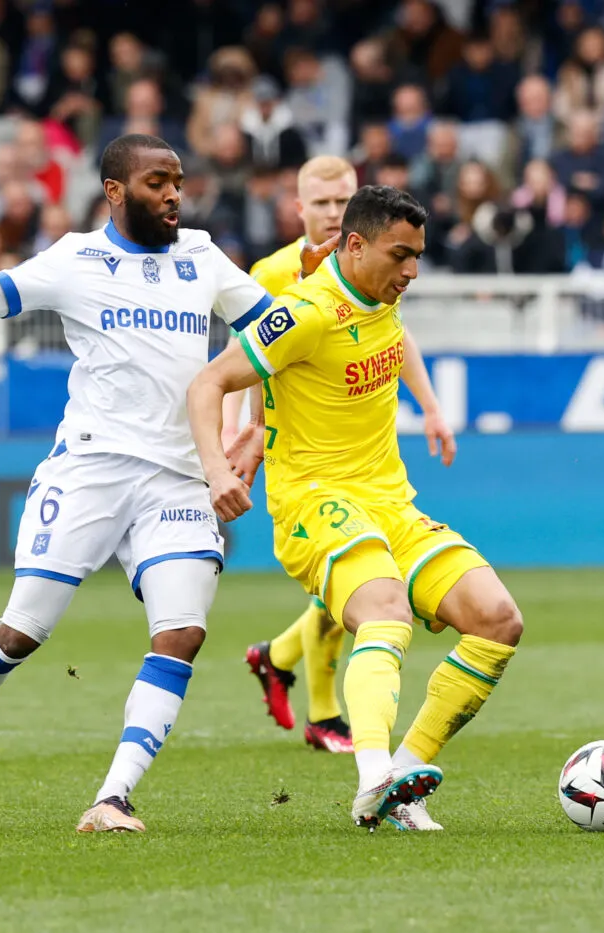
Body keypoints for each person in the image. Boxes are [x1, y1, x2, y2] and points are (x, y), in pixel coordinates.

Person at [0, 134, 275, 834]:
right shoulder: (74, 259)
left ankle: (113, 796)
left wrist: (253, 426)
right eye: (158, 182)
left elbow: (272, 337)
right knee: (21, 630)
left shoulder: (204, 256)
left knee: (181, 631)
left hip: (180, 478)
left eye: (178, 181)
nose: (174, 194)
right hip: (91, 468)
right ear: (116, 191)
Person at [187, 186, 524, 831]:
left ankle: (404, 778)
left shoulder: (382, 303)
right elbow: (209, 382)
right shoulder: (304, 313)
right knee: (385, 610)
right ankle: (372, 779)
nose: (413, 272)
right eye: (402, 255)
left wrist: (427, 407)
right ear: (356, 244)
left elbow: (376, 352)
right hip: (316, 504)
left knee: (498, 620)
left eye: (419, 257)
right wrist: (218, 468)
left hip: (390, 504)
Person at [233, 155, 452, 756]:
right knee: (353, 585)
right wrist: (249, 430)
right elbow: (249, 354)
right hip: (302, 453)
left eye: (341, 201)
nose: (331, 212)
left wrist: (430, 404)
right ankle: (324, 712)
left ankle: (277, 659)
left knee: (356, 585)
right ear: (300, 208)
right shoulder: (275, 271)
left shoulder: (378, 263)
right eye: (321, 204)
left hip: (361, 451)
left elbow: (394, 331)